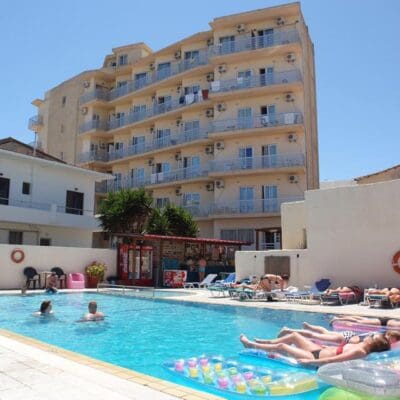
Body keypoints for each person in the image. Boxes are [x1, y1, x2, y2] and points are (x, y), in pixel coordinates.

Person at [239, 331, 391, 366]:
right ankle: (266, 341)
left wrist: (310, 362)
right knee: (294, 336)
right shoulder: (359, 344)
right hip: (319, 350)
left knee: (282, 346)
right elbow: (337, 349)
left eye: (373, 336)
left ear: (374, 343)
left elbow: (334, 360)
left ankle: (251, 345)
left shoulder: (360, 351)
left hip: (316, 358)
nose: (370, 335)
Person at [255, 322, 400, 346]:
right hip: (346, 339)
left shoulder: (379, 334)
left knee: (324, 332)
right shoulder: (379, 338)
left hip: (349, 335)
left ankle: (309, 327)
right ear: (392, 337)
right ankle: (289, 331)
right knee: (316, 336)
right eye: (395, 339)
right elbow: (360, 342)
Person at [331, 315, 400, 329]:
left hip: (387, 320)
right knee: (358, 322)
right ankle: (339, 319)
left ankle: (343, 316)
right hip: (383, 323)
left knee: (364, 319)